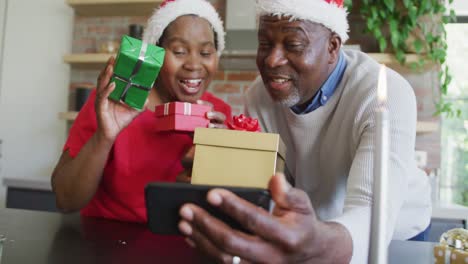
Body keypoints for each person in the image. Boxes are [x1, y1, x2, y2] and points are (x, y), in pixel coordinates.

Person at [176, 0, 432, 263]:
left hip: (395, 238)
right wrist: (225, 167)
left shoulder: (383, 94)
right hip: (308, 237)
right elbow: (270, 189)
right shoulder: (259, 96)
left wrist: (314, 243)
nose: (272, 60)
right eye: (264, 44)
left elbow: (371, 212)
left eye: (293, 45)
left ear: (333, 47)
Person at [51, 0, 231, 223]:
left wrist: (222, 158)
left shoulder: (220, 116)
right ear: (155, 53)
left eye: (205, 53)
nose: (194, 65)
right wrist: (104, 136)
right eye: (179, 51)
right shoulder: (114, 102)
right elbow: (65, 200)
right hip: (109, 245)